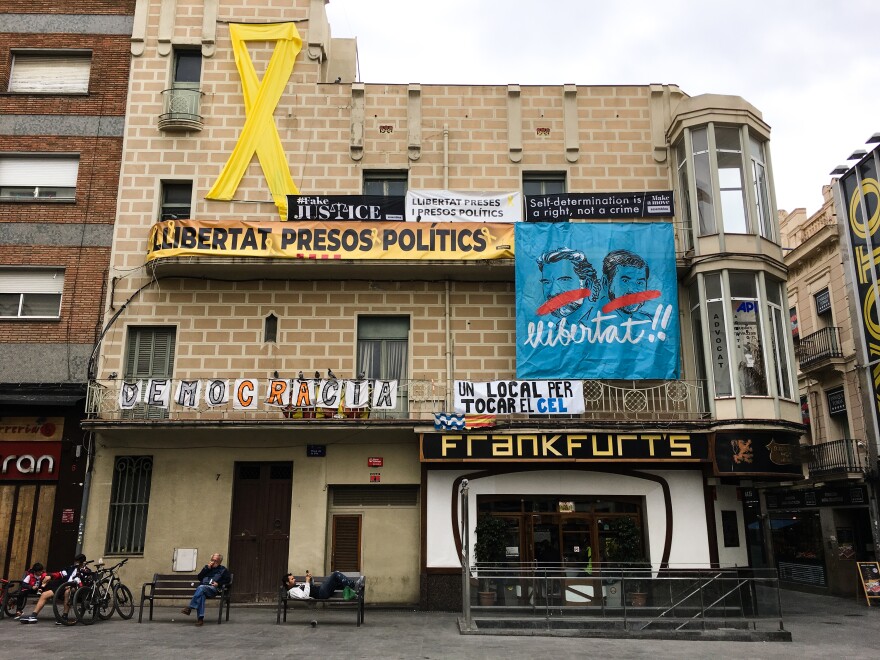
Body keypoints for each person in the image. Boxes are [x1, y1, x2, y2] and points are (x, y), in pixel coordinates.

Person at [536, 247, 601, 325]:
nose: (553, 292)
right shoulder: (546, 324)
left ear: (586, 283)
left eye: (564, 280)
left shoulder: (601, 319)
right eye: (546, 282)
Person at [19, 553, 87, 624]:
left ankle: (65, 616)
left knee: (67, 591)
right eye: (76, 561)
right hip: (63, 586)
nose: (76, 563)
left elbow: (84, 582)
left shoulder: (86, 571)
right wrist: (50, 576)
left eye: (78, 562)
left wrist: (74, 585)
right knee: (44, 594)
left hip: (75, 588)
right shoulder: (70, 568)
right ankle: (33, 616)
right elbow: (60, 574)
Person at [601, 249, 652, 321]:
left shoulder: (649, 323)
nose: (632, 290)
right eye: (625, 281)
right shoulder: (589, 322)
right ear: (606, 283)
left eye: (639, 283)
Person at [180, 553, 230, 626]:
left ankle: (190, 607)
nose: (213, 561)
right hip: (203, 589)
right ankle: (200, 620)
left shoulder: (223, 570)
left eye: (216, 560)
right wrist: (207, 569)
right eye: (212, 559)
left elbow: (227, 580)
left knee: (201, 588)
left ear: (220, 561)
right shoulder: (207, 568)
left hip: (213, 589)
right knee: (201, 595)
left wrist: (218, 584)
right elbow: (199, 577)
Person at [282, 570, 364, 600]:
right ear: (287, 583)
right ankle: (354, 585)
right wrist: (307, 582)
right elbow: (305, 596)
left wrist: (310, 579)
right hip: (321, 593)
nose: (294, 579)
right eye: (292, 579)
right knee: (336, 574)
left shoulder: (296, 586)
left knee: (338, 581)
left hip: (320, 590)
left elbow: (310, 588)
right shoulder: (292, 591)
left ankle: (354, 594)